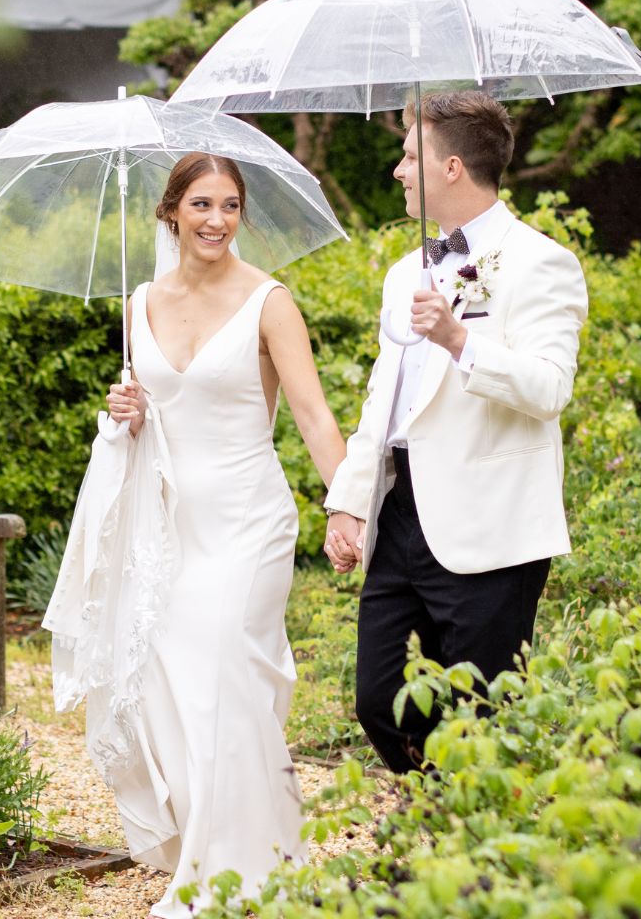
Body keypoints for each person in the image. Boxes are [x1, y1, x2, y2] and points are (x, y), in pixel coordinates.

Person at [44, 152, 349, 918]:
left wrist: (347, 505)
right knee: (173, 689)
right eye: (203, 203)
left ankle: (229, 883)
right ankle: (243, 856)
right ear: (171, 210)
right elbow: (157, 411)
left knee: (227, 680)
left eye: (232, 205)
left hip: (248, 520)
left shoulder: (269, 301)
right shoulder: (138, 300)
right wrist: (130, 412)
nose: (218, 220)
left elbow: (311, 416)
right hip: (167, 525)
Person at [321, 90, 588, 775]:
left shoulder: (541, 263)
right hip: (403, 512)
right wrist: (350, 498)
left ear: (452, 167)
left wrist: (458, 341)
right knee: (382, 700)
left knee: (482, 710)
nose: (398, 170)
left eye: (410, 155)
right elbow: (387, 393)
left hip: (491, 524)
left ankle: (474, 856)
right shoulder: (404, 273)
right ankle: (442, 813)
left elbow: (549, 388)